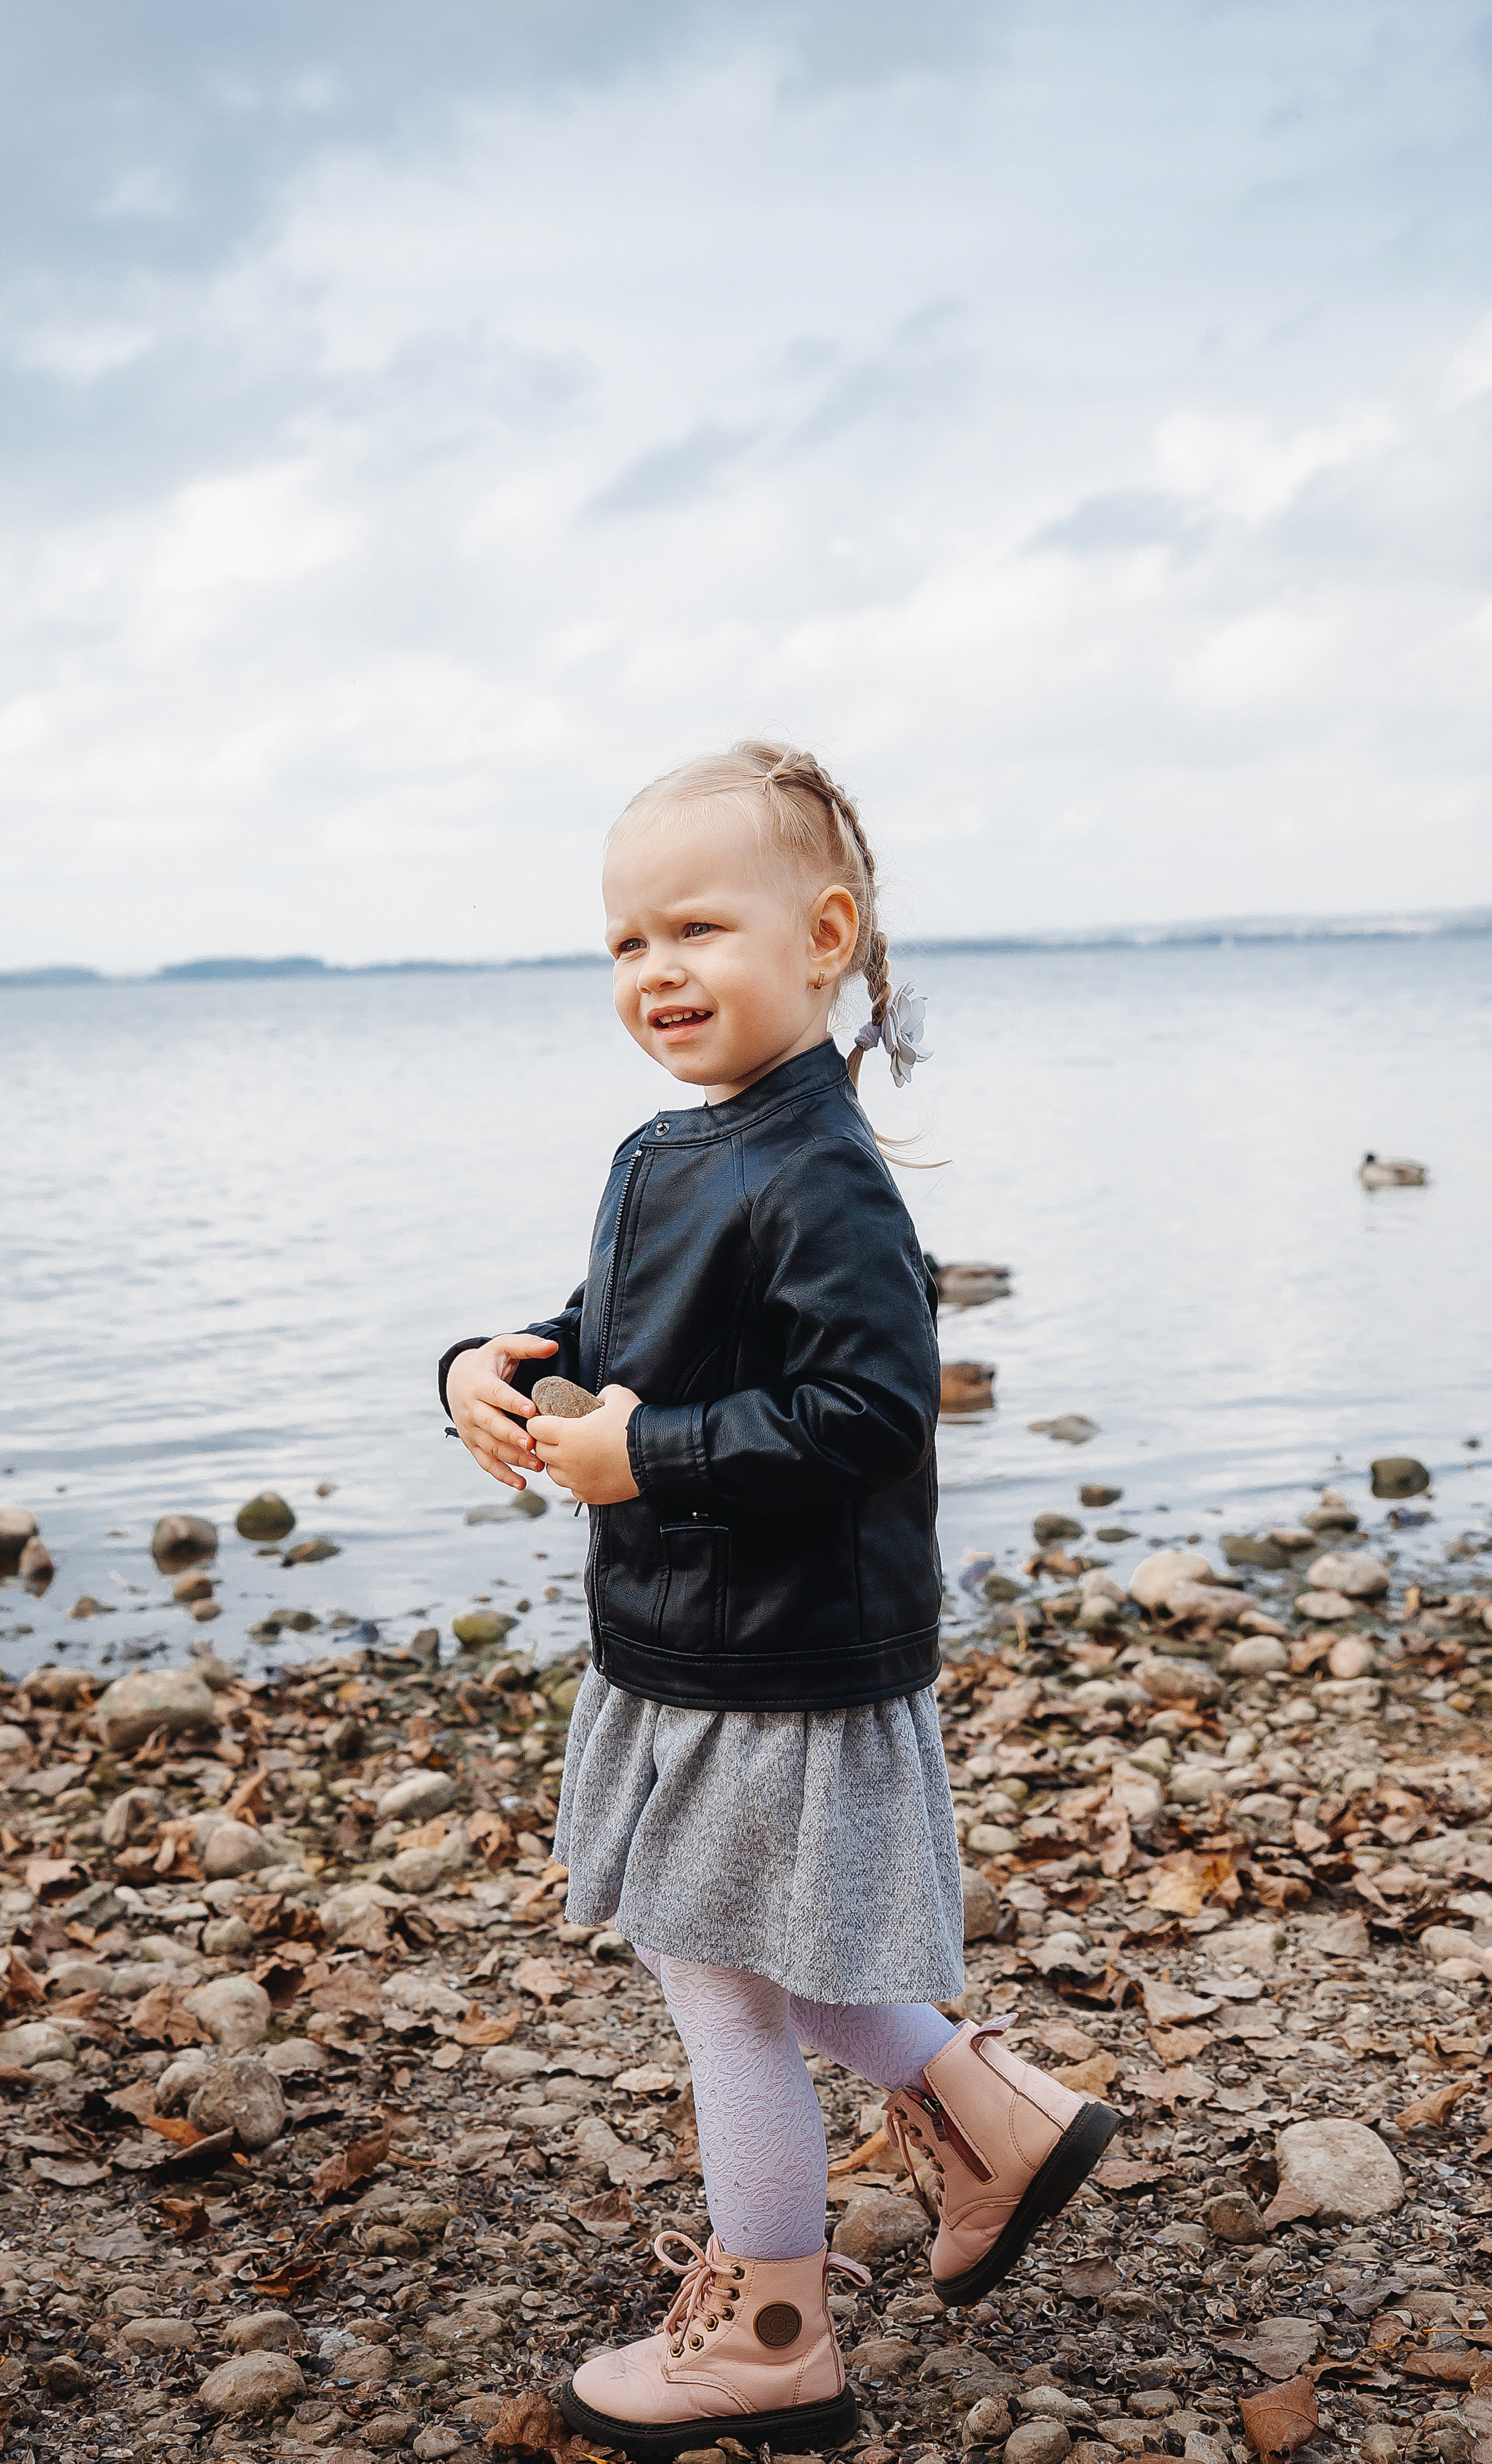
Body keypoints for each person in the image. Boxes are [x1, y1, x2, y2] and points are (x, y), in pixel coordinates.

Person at [439, 742, 1117, 2461]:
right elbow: (613, 1335)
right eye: (621, 941)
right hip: (691, 1644)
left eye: (693, 927)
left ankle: (766, 2328)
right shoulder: (674, 1149)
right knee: (750, 1948)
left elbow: (871, 1412)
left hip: (782, 1656)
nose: (652, 970)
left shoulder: (817, 1170)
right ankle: (987, 2110)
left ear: (821, 938)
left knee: (726, 1977)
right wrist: (484, 1368)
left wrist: (648, 1455)